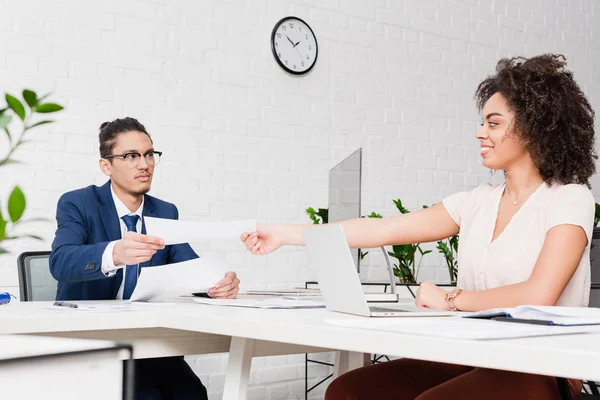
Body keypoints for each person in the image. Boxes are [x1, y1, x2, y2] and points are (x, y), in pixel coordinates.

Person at [241, 54, 596, 399]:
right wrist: (283, 234)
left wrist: (451, 299)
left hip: (540, 367)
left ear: (533, 129)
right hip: (472, 354)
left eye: (493, 123)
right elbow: (385, 230)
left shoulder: (569, 198)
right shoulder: (476, 201)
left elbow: (538, 296)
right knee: (347, 391)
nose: (479, 133)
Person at [50, 117, 240, 400]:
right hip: (95, 341)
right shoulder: (78, 203)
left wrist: (218, 284)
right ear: (106, 165)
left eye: (149, 154)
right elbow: (61, 262)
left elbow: (188, 264)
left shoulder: (164, 211)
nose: (144, 164)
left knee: (193, 394)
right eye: (131, 156)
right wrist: (115, 253)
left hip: (148, 341)